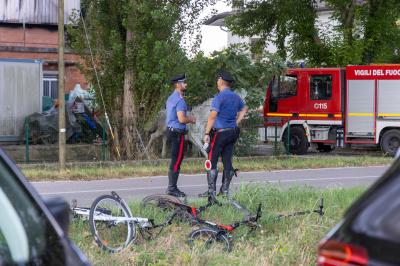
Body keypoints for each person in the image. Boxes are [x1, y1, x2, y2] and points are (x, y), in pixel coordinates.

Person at [201, 70, 248, 199]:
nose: (217, 82)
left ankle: (211, 193)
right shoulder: (235, 97)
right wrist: (237, 121)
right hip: (232, 132)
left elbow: (212, 117)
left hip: (220, 134)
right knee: (227, 161)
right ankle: (224, 191)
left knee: (211, 161)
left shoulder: (219, 97)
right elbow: (244, 109)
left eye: (217, 80)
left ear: (221, 81)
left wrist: (206, 133)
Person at [165, 73, 196, 197]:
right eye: (184, 82)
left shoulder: (171, 98)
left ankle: (172, 187)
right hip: (177, 133)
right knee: (176, 160)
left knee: (175, 159)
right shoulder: (180, 100)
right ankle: (172, 189)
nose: (186, 84)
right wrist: (191, 119)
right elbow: (182, 119)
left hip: (171, 131)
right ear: (177, 84)